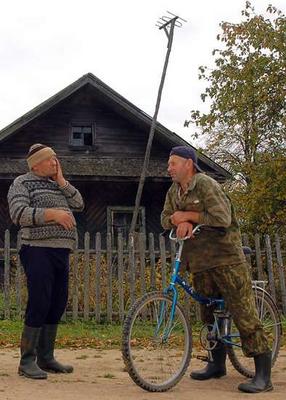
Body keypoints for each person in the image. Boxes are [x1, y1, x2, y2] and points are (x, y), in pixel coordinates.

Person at [161, 145, 272, 393]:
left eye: (173, 163)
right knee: (209, 314)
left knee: (244, 314)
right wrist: (176, 219)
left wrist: (188, 216)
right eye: (169, 164)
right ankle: (216, 364)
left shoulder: (206, 184)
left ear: (188, 163)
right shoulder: (173, 191)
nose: (169, 168)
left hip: (226, 259)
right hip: (200, 261)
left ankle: (264, 375)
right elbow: (164, 217)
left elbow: (222, 218)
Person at [7, 143, 84, 379]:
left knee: (58, 302)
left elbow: (79, 204)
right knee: (40, 301)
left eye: (56, 159)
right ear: (37, 164)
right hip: (36, 249)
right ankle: (27, 361)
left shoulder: (57, 185)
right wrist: (53, 214)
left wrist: (61, 180)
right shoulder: (21, 183)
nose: (55, 162)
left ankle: (46, 357)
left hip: (61, 251)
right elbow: (18, 213)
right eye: (51, 159)